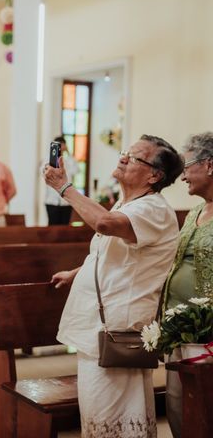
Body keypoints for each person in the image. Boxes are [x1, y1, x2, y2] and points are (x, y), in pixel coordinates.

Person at [44, 134, 183, 437]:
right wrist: (77, 272)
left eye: (134, 158)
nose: (123, 158)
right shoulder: (130, 202)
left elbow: (105, 224)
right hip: (104, 327)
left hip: (117, 331)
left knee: (110, 413)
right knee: (111, 413)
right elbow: (110, 252)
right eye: (125, 153)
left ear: (154, 175)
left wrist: (63, 187)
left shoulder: (153, 209)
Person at [161, 132, 213, 437]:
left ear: (209, 165)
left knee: (205, 411)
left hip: (208, 333)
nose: (183, 176)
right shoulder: (195, 211)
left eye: (187, 166)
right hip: (180, 328)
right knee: (179, 407)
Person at [44, 136, 79, 225]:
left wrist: (69, 153)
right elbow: (43, 172)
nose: (60, 148)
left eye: (62, 145)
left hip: (66, 202)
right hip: (51, 201)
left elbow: (76, 170)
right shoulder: (47, 161)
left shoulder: (68, 161)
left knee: (65, 227)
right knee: (52, 227)